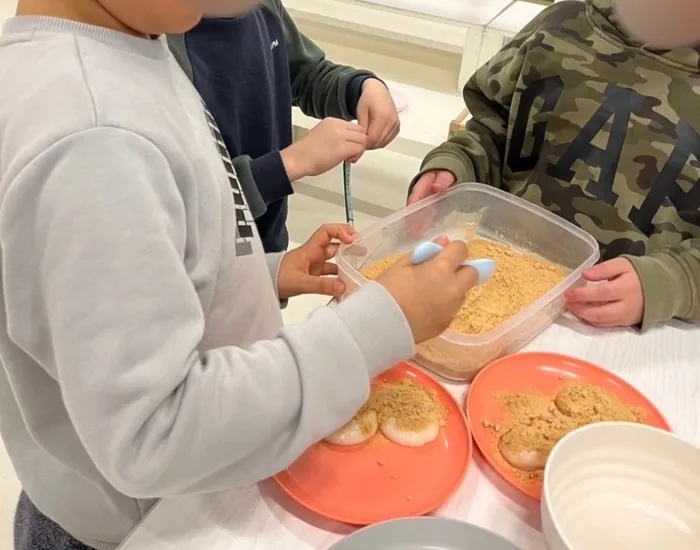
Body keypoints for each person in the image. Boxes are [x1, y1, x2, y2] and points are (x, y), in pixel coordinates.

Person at [0, 1, 478, 549]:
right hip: (137, 526)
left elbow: (156, 271)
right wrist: (379, 324)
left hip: (191, 484)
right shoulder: (93, 136)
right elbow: (153, 431)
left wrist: (258, 274)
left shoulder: (136, 47)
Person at [407, 0, 700, 331]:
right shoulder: (559, 25)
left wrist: (672, 283)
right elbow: (494, 129)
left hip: (627, 333)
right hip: (495, 291)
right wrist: (455, 165)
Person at [168, 3, 400, 253]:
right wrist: (288, 164)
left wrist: (359, 88)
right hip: (210, 259)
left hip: (270, 247)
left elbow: (306, 74)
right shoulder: (162, 50)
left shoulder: (263, 7)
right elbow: (190, 207)